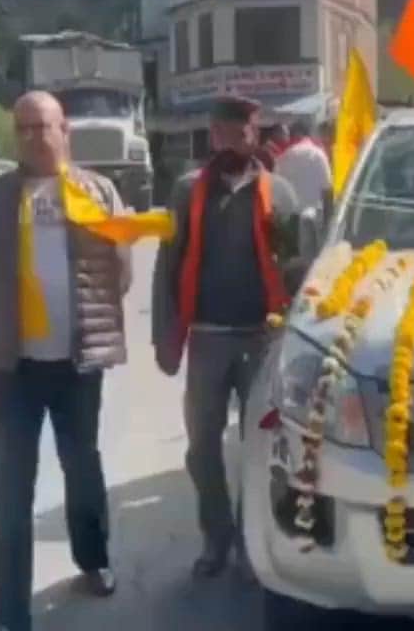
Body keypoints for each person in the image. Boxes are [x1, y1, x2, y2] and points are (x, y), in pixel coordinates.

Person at [0, 91, 131, 631]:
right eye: (25, 129)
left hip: (79, 362)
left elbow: (121, 271)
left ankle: (93, 558)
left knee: (82, 467)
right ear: (15, 137)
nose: (36, 137)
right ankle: (10, 609)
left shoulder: (99, 192)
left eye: (45, 126)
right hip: (13, 370)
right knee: (12, 489)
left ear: (66, 132)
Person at [151, 95, 307, 579]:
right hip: (207, 338)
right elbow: (167, 267)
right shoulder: (185, 191)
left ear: (254, 136)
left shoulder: (280, 194)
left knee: (259, 449)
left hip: (263, 340)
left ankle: (249, 538)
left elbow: (301, 269)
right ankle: (215, 538)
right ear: (211, 135)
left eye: (239, 133)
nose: (229, 140)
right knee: (202, 446)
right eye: (221, 132)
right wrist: (164, 336)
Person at [276, 119, 333, 213]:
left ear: (297, 134)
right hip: (314, 217)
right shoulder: (319, 155)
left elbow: (276, 192)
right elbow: (327, 190)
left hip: (289, 217)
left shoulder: (283, 157)